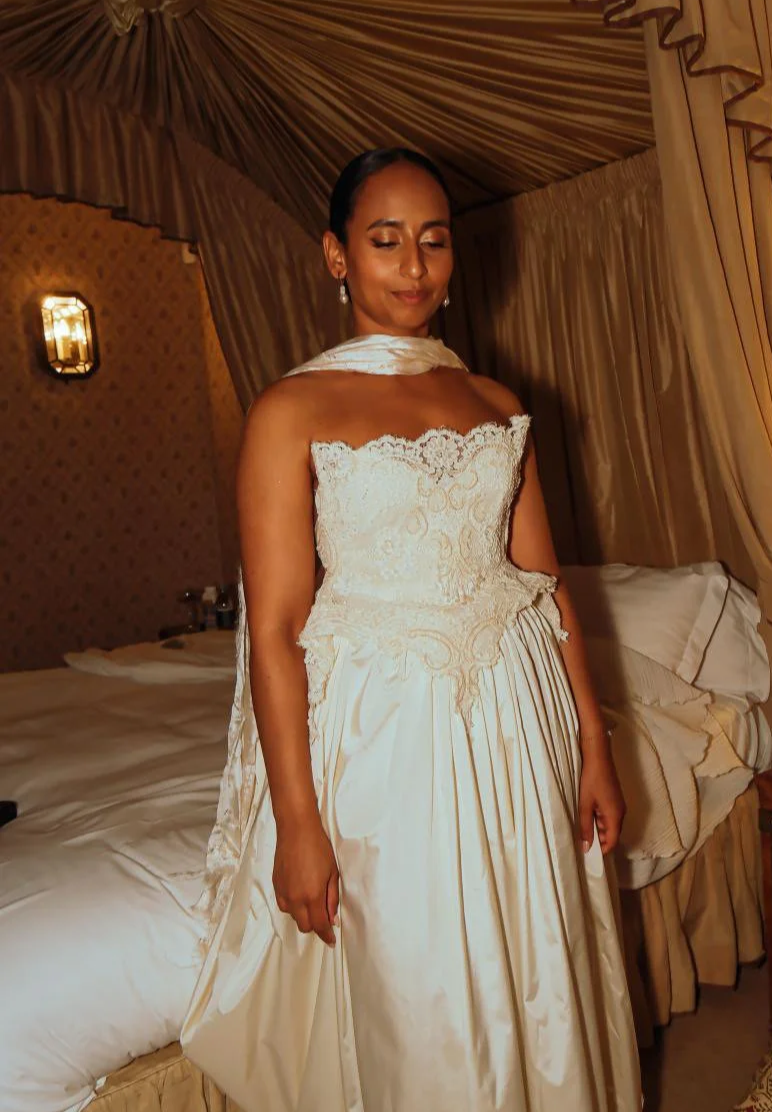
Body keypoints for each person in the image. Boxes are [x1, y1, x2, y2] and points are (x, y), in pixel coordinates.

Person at [182, 148, 642, 1112]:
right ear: (336, 255)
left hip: (516, 723)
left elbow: (548, 587)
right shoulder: (290, 409)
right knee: (419, 987)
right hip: (385, 739)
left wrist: (595, 746)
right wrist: (298, 822)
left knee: (536, 957)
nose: (413, 265)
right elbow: (273, 628)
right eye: (384, 240)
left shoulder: (496, 403)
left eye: (433, 241)